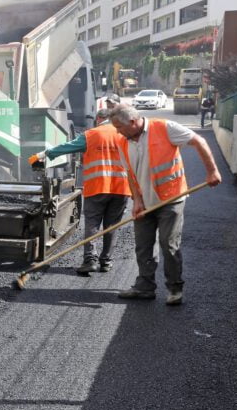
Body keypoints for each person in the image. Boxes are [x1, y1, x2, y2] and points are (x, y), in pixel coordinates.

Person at [108, 103, 222, 304]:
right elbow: (131, 175)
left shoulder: (165, 128)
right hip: (144, 203)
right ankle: (145, 286)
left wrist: (212, 171)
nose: (117, 131)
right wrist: (137, 201)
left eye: (119, 127)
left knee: (169, 244)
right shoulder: (123, 142)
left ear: (133, 122)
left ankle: (175, 288)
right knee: (143, 246)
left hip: (171, 199)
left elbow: (199, 141)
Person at [30, 108, 131, 274]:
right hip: (121, 188)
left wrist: (44, 154)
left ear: (99, 119)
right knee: (111, 226)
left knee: (92, 224)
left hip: (97, 187)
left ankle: (90, 260)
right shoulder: (125, 134)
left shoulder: (92, 134)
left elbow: (68, 147)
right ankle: (106, 261)